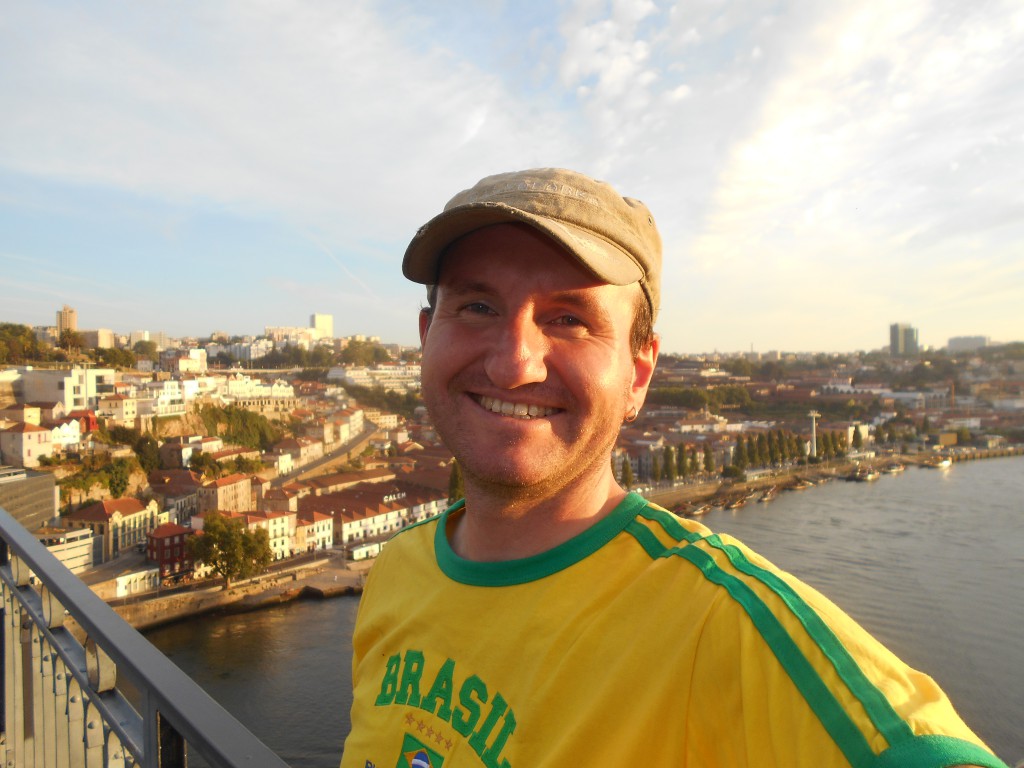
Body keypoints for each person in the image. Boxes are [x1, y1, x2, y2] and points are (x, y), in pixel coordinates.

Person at [340, 168, 1007, 768]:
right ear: (427, 337)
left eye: (569, 318)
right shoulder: (397, 573)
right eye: (478, 306)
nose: (515, 362)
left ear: (638, 374)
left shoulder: (720, 628)